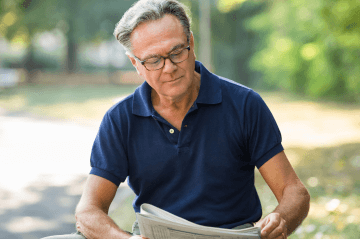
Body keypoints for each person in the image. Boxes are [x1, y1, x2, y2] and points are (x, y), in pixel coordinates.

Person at [45, 0, 310, 238]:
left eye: (176, 52)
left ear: (191, 44)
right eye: (153, 60)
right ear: (135, 64)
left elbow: (294, 191)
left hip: (229, 235)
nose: (169, 67)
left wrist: (281, 218)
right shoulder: (121, 119)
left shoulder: (244, 104)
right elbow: (88, 211)